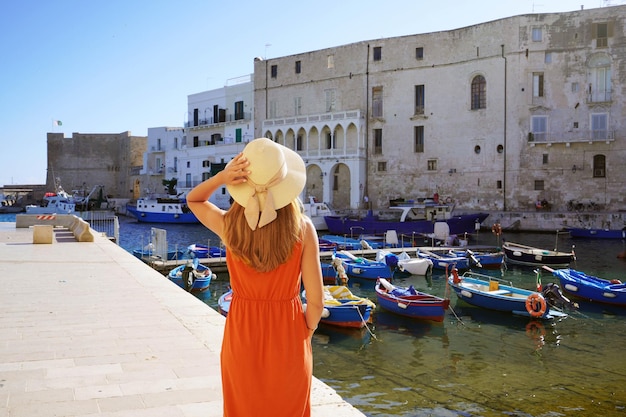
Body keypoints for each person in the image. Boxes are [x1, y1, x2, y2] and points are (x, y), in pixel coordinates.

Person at [186, 137, 324, 417]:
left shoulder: (229, 226)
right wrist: (304, 333)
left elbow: (194, 199)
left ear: (241, 185)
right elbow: (317, 303)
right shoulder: (304, 229)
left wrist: (221, 177)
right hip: (288, 336)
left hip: (241, 335)